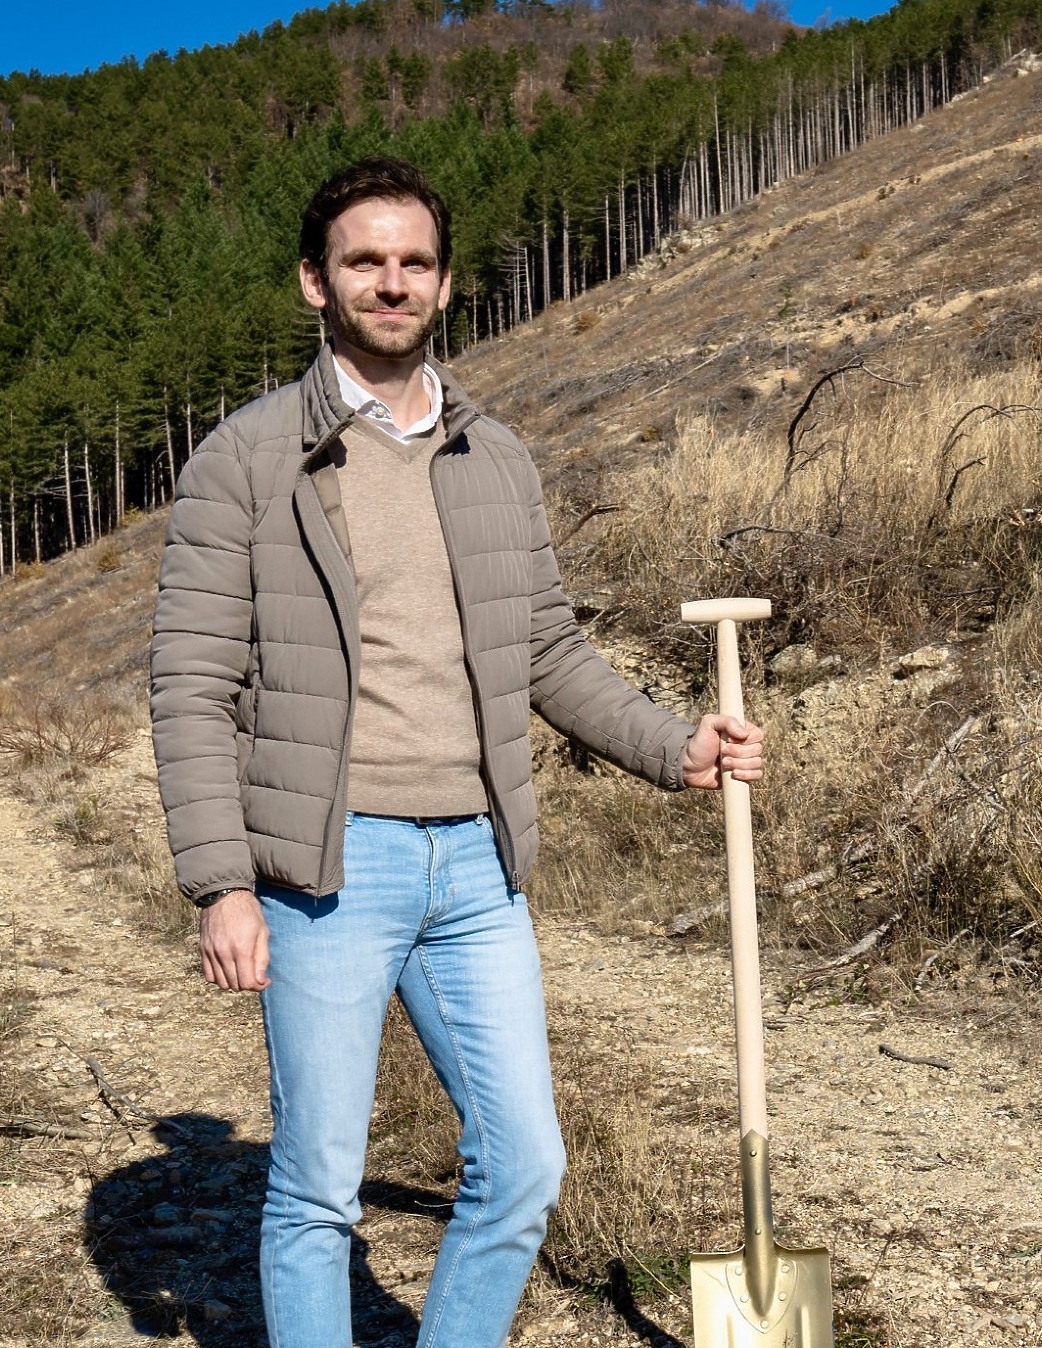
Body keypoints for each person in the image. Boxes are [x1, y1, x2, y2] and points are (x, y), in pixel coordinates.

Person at [148, 156, 764, 1348]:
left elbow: (546, 651)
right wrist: (222, 881)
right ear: (313, 285)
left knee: (525, 1164)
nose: (391, 282)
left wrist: (668, 743)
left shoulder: (497, 456)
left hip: (476, 869)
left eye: (413, 262)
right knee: (319, 1187)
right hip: (327, 874)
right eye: (363, 261)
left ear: (443, 282)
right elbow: (190, 682)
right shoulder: (246, 458)